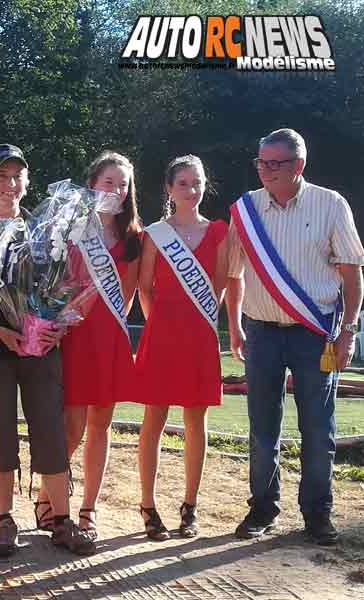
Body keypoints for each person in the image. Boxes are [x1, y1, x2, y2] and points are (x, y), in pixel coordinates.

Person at [226, 128, 364, 546]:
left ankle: (317, 514)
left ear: (298, 166)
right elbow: (233, 274)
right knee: (261, 428)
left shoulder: (330, 204)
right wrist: (234, 327)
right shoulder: (245, 209)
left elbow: (352, 272)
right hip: (262, 334)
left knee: (318, 429)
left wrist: (349, 330)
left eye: (275, 163)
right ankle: (262, 508)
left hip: (314, 336)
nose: (265, 170)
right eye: (261, 162)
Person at [0, 144, 94, 559]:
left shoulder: (45, 231)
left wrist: (57, 326)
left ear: (27, 182)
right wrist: (1, 333)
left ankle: (61, 519)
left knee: (50, 433)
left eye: (17, 175)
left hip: (40, 349)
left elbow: (68, 286)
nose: (10, 183)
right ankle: (5, 522)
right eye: (1, 176)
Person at [37, 152, 141, 541]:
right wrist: (67, 315)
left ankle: (88, 509)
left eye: (123, 184)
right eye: (109, 182)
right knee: (71, 428)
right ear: (92, 184)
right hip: (74, 336)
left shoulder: (133, 238)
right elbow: (55, 281)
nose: (117, 190)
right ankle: (49, 496)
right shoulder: (71, 228)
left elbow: (127, 296)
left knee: (101, 424)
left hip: (110, 336)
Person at [134, 155, 229, 540]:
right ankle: (148, 505)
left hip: (201, 337)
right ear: (170, 190)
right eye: (184, 183)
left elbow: (220, 285)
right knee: (153, 420)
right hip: (161, 336)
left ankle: (190, 506)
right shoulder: (155, 233)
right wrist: (162, 324)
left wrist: (197, 323)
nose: (193, 190)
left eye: (198, 182)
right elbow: (143, 287)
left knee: (196, 421)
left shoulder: (220, 231)